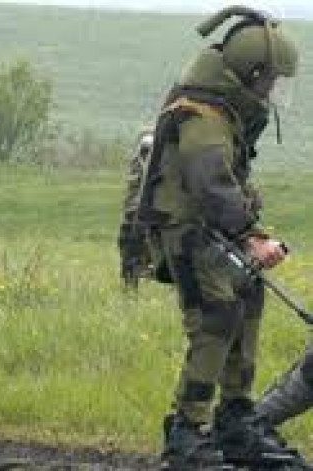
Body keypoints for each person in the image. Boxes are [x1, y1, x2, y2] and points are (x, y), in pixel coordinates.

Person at [136, 7, 305, 470]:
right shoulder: (204, 115)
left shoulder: (224, 111)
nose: (273, 90)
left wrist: (251, 232)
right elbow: (210, 182)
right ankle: (186, 434)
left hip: (212, 231)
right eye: (271, 79)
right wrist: (250, 236)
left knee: (248, 297)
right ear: (251, 73)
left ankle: (235, 421)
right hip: (188, 234)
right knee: (217, 316)